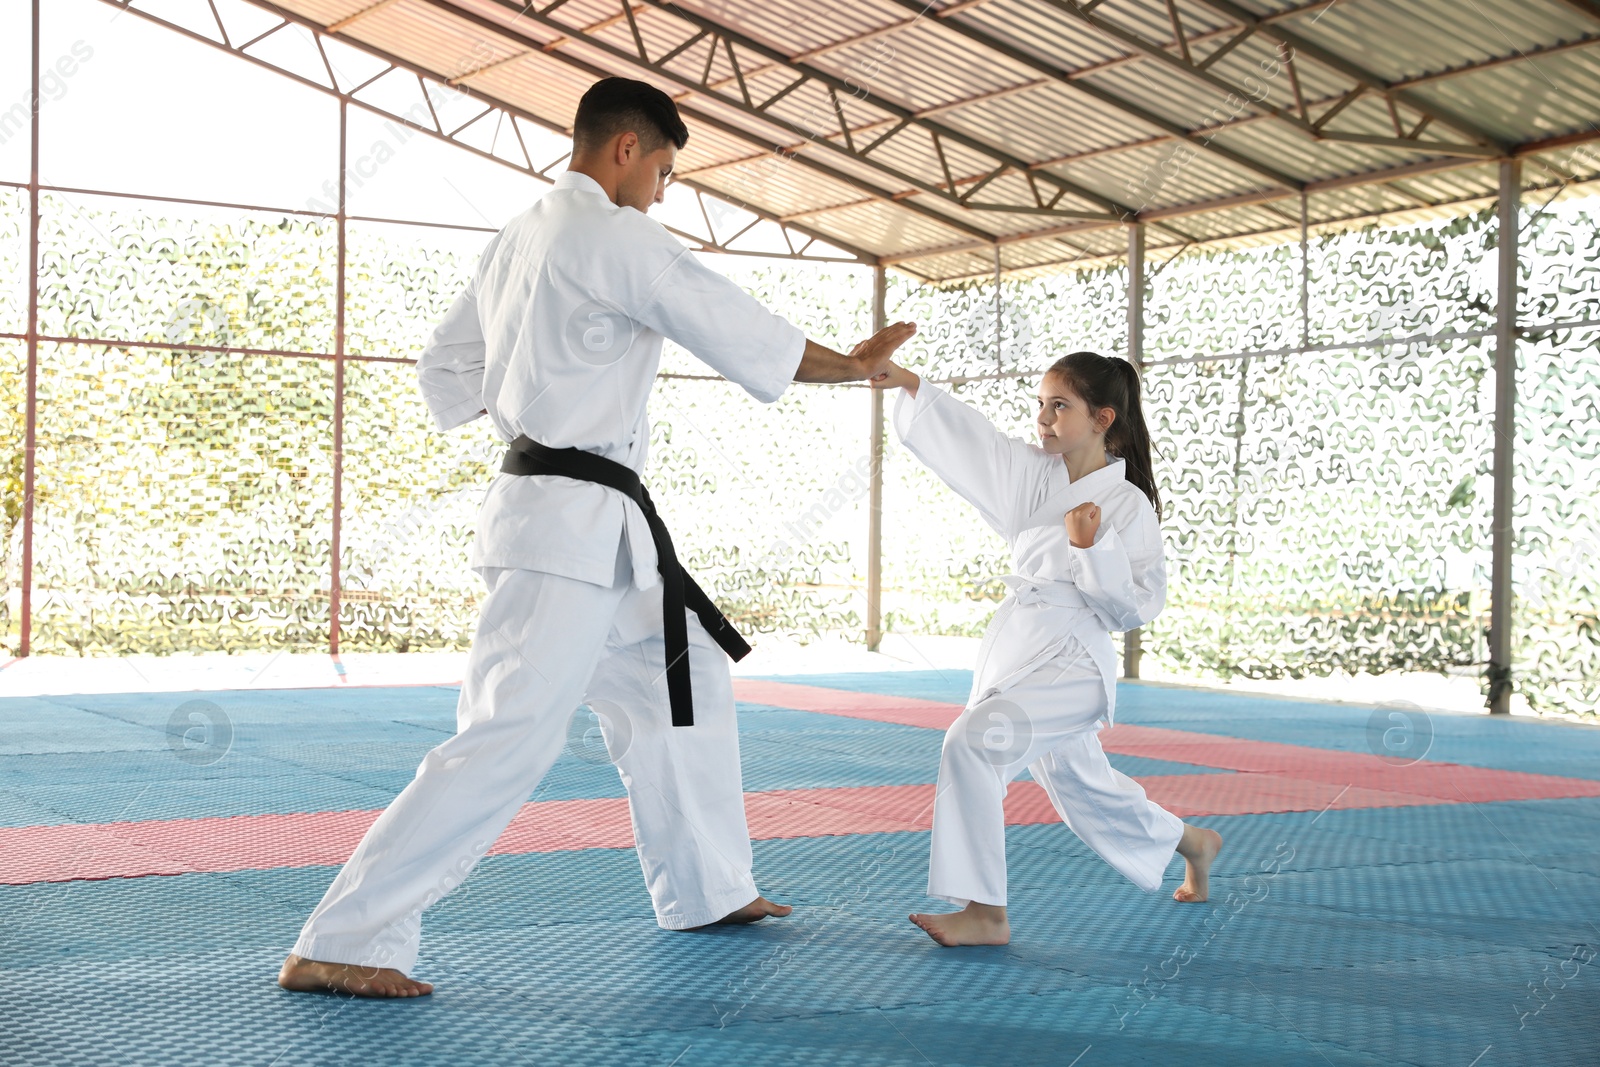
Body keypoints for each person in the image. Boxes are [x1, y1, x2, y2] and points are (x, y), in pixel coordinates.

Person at [279, 76, 916, 997]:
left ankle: (707, 885)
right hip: (566, 526)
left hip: (583, 519)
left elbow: (446, 369)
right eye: (662, 170)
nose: (662, 191)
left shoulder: (518, 236)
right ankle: (350, 933)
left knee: (688, 669)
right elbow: (731, 323)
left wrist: (529, 397)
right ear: (626, 149)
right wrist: (850, 366)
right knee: (508, 735)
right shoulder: (616, 235)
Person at [871, 352, 1221, 947]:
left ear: (1102, 417)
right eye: (1040, 403)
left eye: (1060, 406)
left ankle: (986, 912)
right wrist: (911, 386)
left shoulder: (1128, 505)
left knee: (972, 742)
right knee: (1086, 787)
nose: (1044, 418)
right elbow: (974, 441)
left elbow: (1134, 609)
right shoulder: (1035, 473)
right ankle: (1192, 842)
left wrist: (1091, 549)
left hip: (1074, 661)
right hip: (1022, 653)